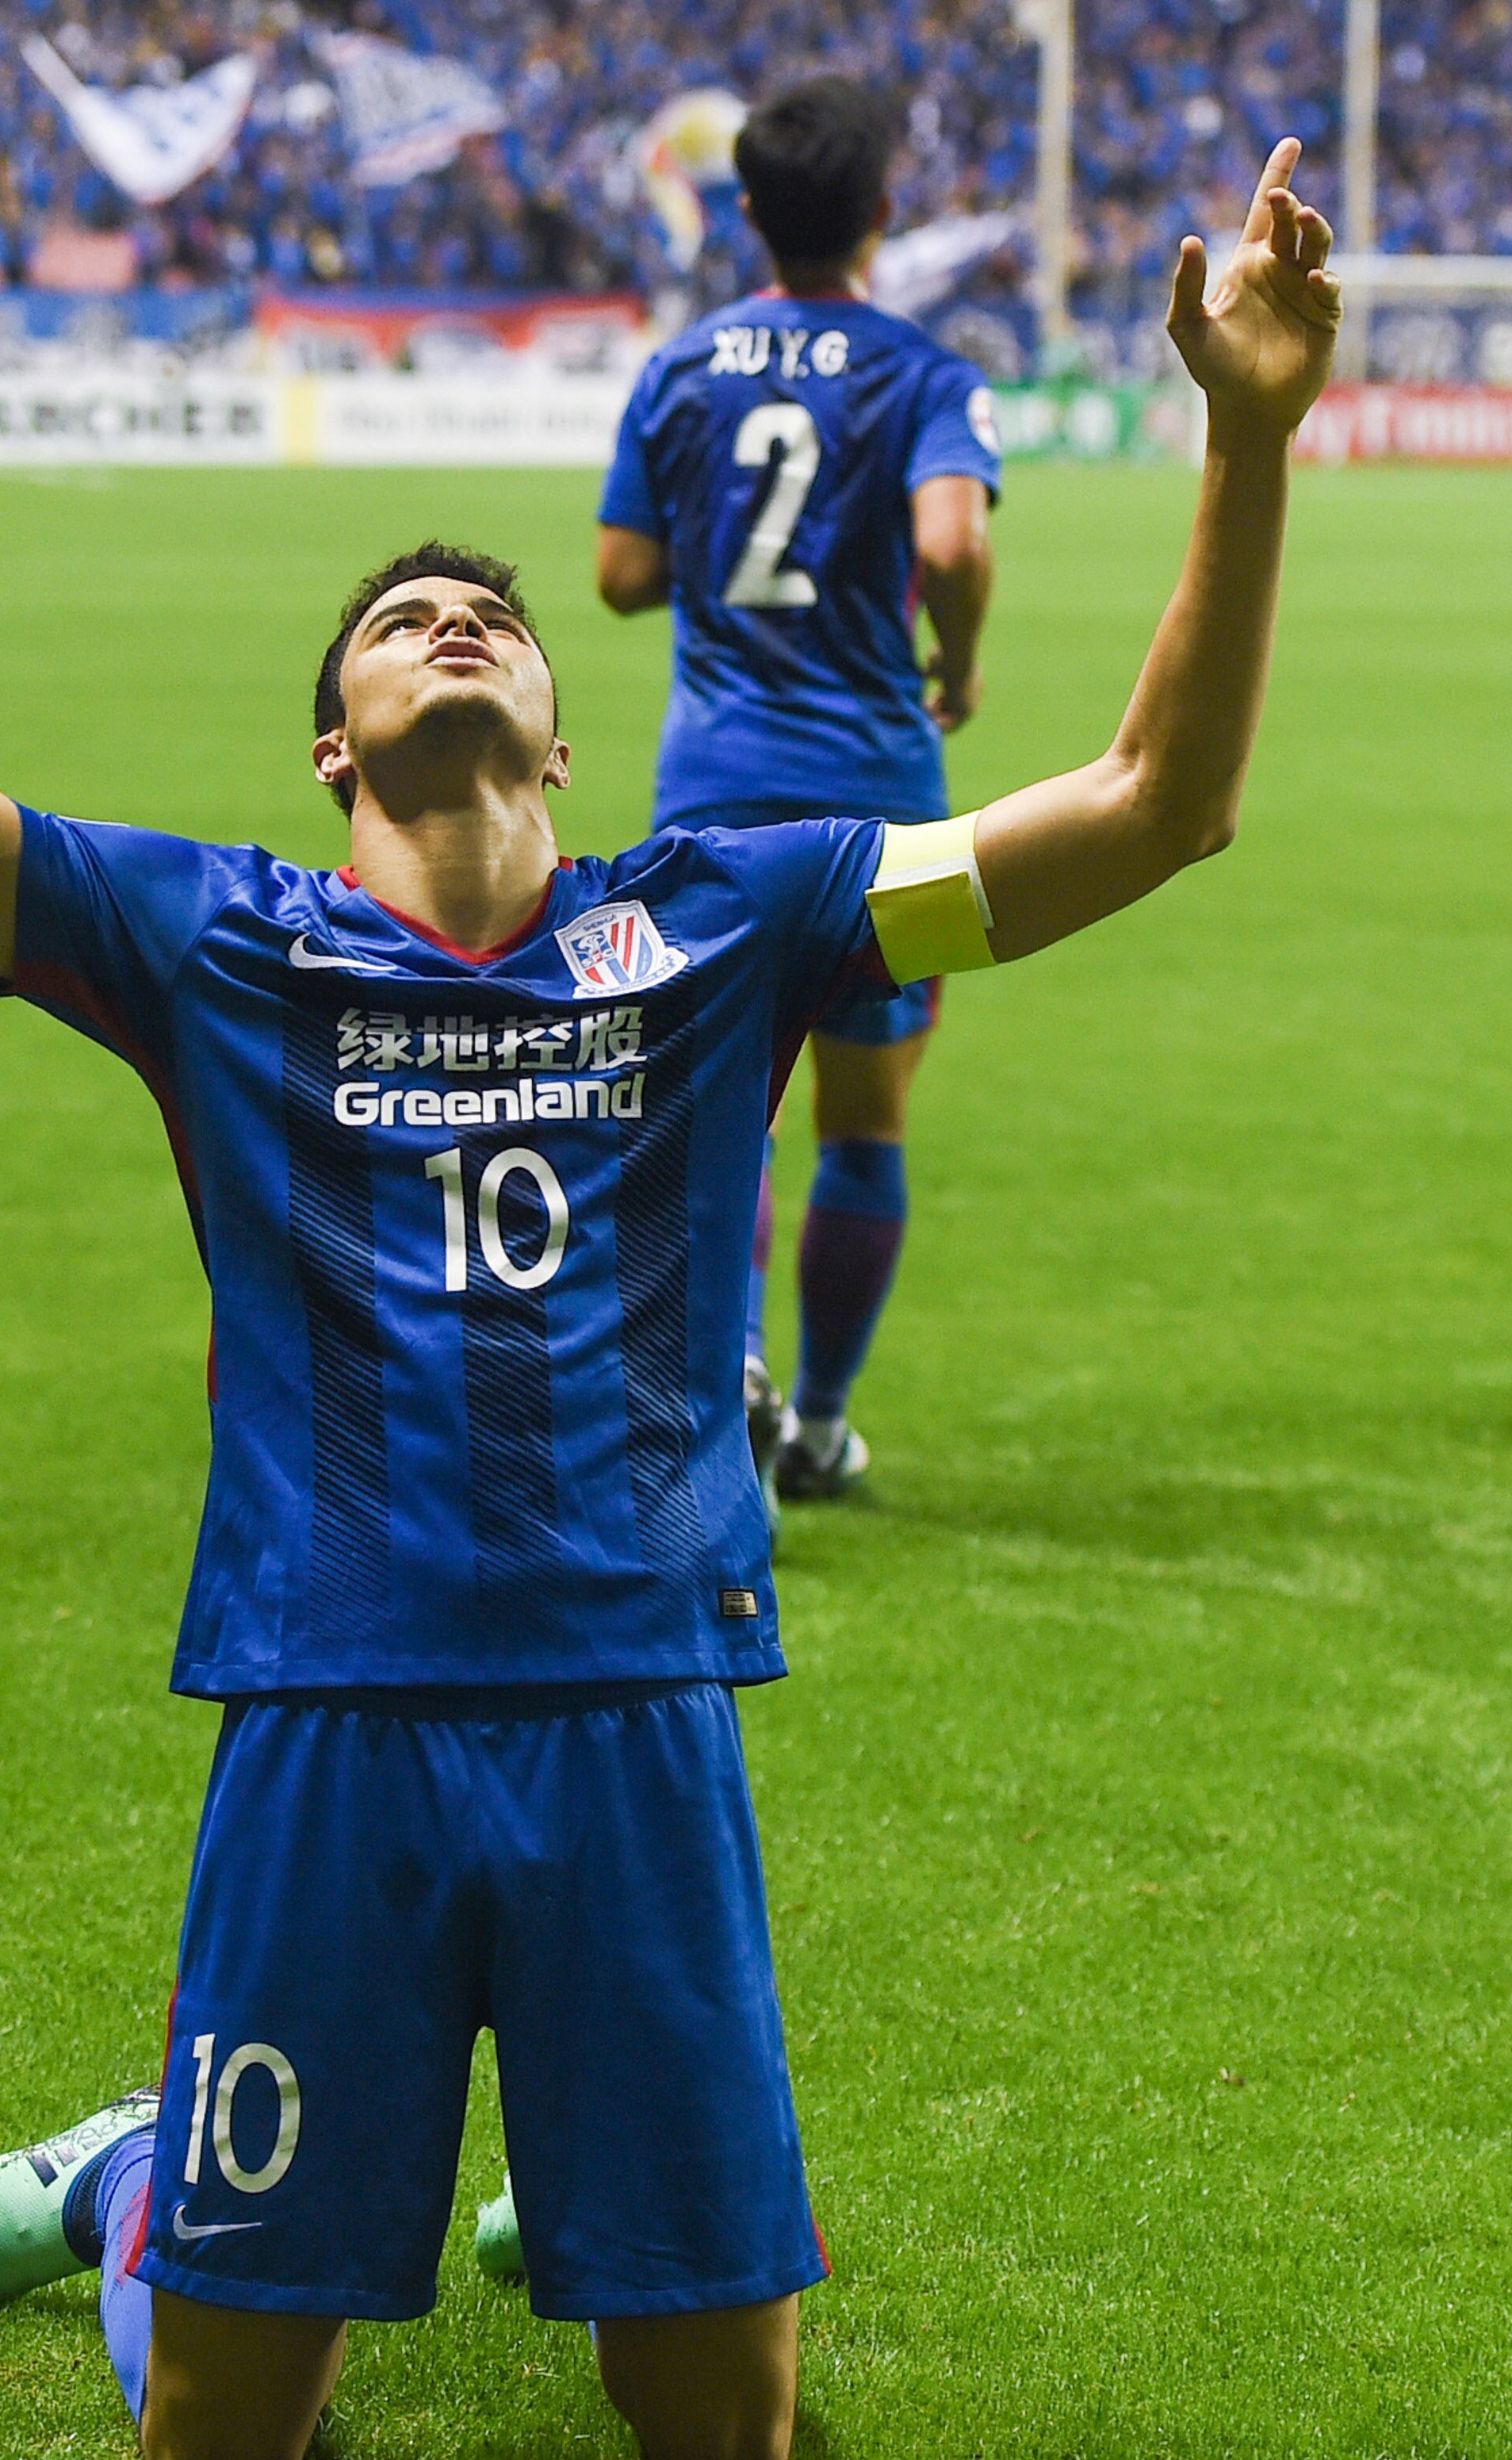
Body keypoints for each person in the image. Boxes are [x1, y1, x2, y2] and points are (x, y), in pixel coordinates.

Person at [0, 36, 1338, 2460]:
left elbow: (1157, 805)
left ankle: (525, 2181)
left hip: (636, 1711)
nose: (446, 628)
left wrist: (1246, 443)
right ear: (333, 747)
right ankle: (143, 2172)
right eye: (396, 623)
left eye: (482, 620)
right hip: (329, 1712)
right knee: (224, 2446)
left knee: (717, 2438)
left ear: (547, 720)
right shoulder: (208, 939)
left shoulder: (728, 914)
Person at [592, 77, 1001, 1505]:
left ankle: (736, 1379)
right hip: (893, 793)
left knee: (724, 1110)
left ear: (747, 210)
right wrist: (955, 657)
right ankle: (821, 1423)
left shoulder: (682, 364)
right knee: (870, 1120)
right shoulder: (925, 372)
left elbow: (619, 574)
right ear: (885, 212)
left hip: (711, 788)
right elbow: (950, 543)